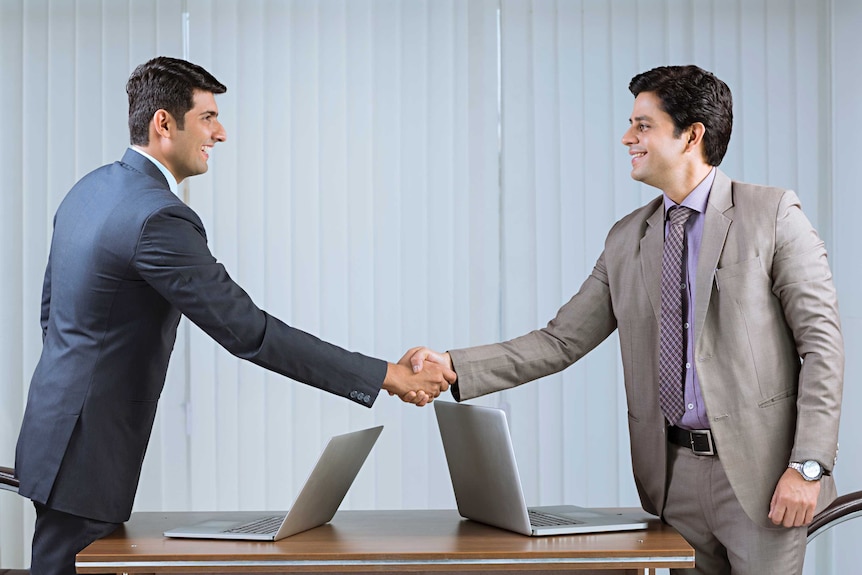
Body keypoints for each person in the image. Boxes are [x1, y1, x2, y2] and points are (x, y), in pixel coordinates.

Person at [15, 56, 454, 575]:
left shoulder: (88, 190)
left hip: (54, 439)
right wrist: (388, 376)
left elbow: (52, 315)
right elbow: (249, 332)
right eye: (207, 117)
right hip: (88, 458)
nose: (220, 133)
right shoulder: (158, 218)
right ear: (163, 123)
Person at [409, 65, 843, 574]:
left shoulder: (771, 213)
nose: (626, 137)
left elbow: (822, 346)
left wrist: (807, 466)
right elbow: (559, 341)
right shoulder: (626, 239)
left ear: (692, 136)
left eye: (643, 125)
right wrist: (454, 365)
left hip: (763, 477)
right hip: (670, 477)